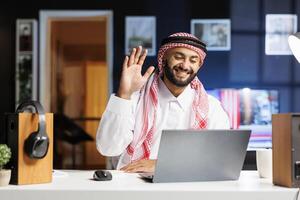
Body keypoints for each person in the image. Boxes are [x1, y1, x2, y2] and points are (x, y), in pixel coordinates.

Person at [96, 32, 230, 173]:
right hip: (132, 187)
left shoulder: (212, 108)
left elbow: (219, 159)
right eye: (178, 57)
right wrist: (124, 94)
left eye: (193, 60)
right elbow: (108, 148)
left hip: (188, 188)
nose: (185, 65)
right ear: (164, 58)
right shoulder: (133, 99)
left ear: (199, 65)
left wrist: (163, 165)